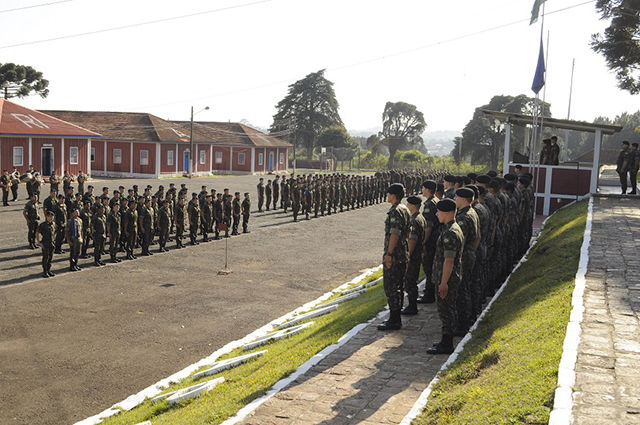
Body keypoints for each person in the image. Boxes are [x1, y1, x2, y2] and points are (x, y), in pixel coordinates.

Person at [427, 198, 464, 355]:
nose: (436, 214)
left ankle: (447, 344)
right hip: (450, 276)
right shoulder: (452, 228)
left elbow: (449, 260)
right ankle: (445, 340)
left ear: (447, 213)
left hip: (447, 278)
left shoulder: (450, 232)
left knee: (446, 310)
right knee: (448, 309)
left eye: (439, 211)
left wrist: (443, 283)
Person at [378, 183, 410, 331]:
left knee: (391, 287)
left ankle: (394, 319)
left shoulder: (395, 211)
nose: (386, 195)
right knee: (398, 286)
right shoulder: (405, 209)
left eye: (388, 193)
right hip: (403, 253)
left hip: (395, 255)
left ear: (393, 195)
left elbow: (395, 233)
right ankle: (394, 317)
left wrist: (389, 254)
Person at [454, 187, 480, 336]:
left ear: (463, 199)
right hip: (469, 253)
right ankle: (467, 319)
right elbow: (478, 237)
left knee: (462, 291)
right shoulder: (472, 211)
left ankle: (462, 325)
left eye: (457, 197)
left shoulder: (464, 217)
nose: (455, 200)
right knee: (466, 287)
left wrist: (464, 254)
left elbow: (459, 240)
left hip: (463, 256)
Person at [401, 195, 426, 316]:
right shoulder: (420, 217)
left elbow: (413, 240)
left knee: (410, 281)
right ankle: (412, 305)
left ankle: (412, 306)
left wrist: (408, 255)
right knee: (411, 280)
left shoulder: (415, 220)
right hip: (417, 254)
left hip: (413, 256)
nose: (407, 206)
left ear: (412, 206)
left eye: (408, 205)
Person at [418, 180, 440, 304]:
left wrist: (424, 242)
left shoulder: (429, 204)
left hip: (431, 240)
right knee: (431, 267)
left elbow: (428, 226)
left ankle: (429, 294)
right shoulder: (435, 201)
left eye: (423, 188)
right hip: (435, 238)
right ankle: (429, 292)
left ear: (427, 189)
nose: (422, 190)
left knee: (429, 267)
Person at [66, 208, 83, 272]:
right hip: (73, 238)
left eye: (78, 212)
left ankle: (75, 264)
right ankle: (72, 266)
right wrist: (68, 240)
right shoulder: (70, 221)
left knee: (77, 252)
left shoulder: (80, 220)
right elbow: (67, 231)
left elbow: (81, 230)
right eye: (76, 212)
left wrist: (82, 238)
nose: (77, 213)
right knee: (73, 253)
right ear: (72, 213)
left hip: (78, 238)